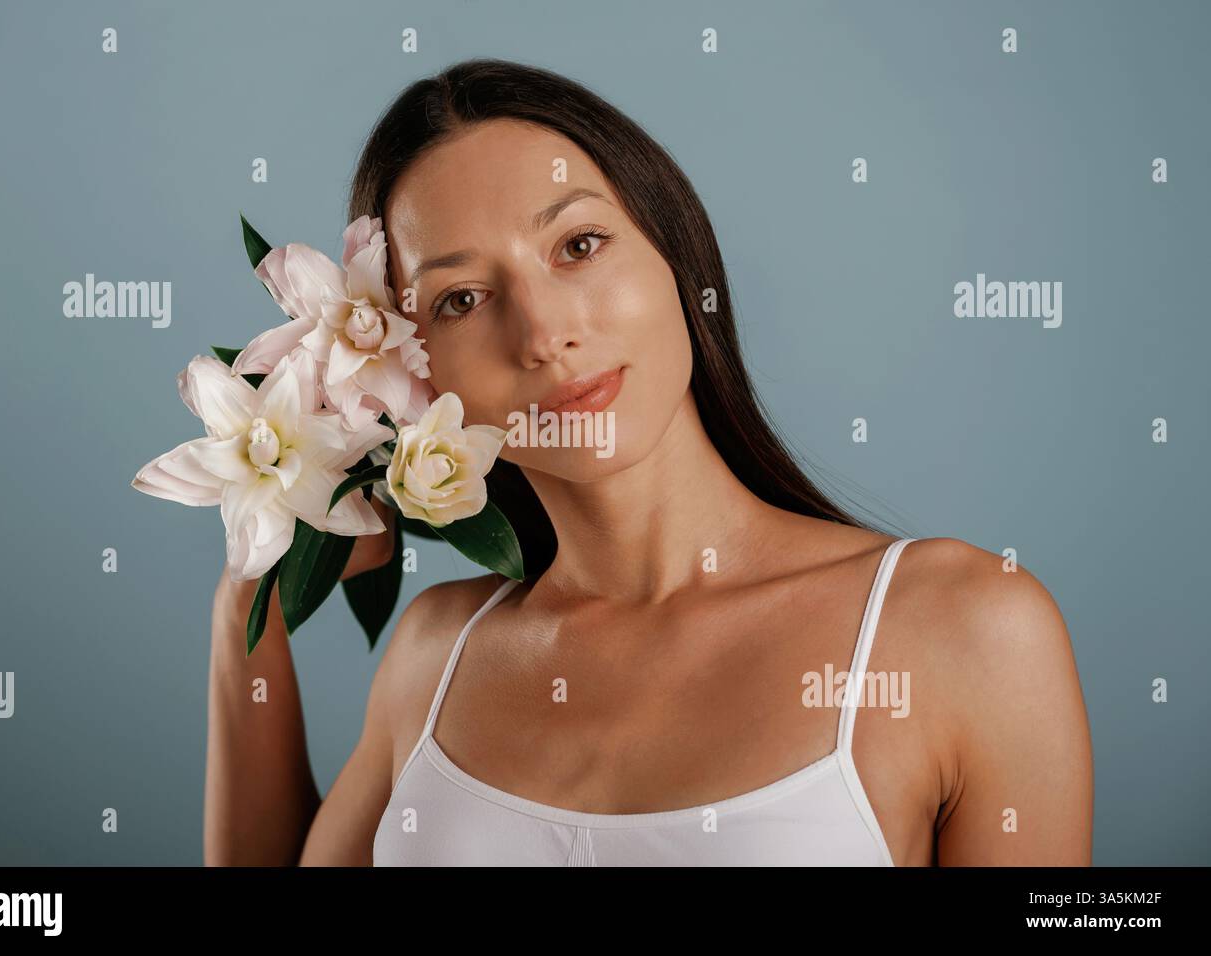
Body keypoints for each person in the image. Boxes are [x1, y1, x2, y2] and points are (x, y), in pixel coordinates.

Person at [205, 59, 1092, 866]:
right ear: (408, 370)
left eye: (579, 246)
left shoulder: (965, 629)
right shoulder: (433, 659)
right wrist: (251, 597)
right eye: (462, 298)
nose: (546, 334)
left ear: (674, 254)